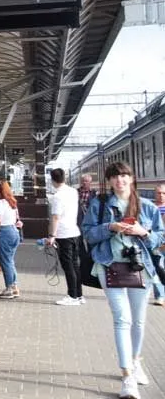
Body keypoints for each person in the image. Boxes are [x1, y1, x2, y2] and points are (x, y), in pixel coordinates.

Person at [82, 162, 164, 399]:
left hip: (142, 269)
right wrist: (109, 227)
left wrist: (143, 233)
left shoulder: (147, 207)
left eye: (124, 175)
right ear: (109, 181)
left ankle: (136, 361)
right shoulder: (99, 205)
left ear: (132, 178)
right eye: (115, 177)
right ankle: (128, 378)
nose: (120, 180)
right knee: (122, 320)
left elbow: (159, 238)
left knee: (138, 321)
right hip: (109, 266)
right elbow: (88, 233)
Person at [47, 168, 83, 305]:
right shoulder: (73, 191)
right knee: (75, 265)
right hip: (75, 232)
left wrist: (52, 236)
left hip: (63, 234)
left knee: (68, 267)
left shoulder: (57, 197)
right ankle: (79, 295)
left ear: (53, 180)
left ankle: (72, 296)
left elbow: (56, 217)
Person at [0, 180, 21, 299]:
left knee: (6, 262)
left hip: (4, 232)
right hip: (14, 232)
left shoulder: (0, 203)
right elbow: (17, 218)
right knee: (10, 261)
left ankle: (9, 288)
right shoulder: (12, 202)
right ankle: (14, 287)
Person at [153, 184, 165, 306]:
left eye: (163, 193)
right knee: (157, 269)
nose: (161, 196)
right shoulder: (152, 209)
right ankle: (160, 296)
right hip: (157, 245)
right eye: (159, 193)